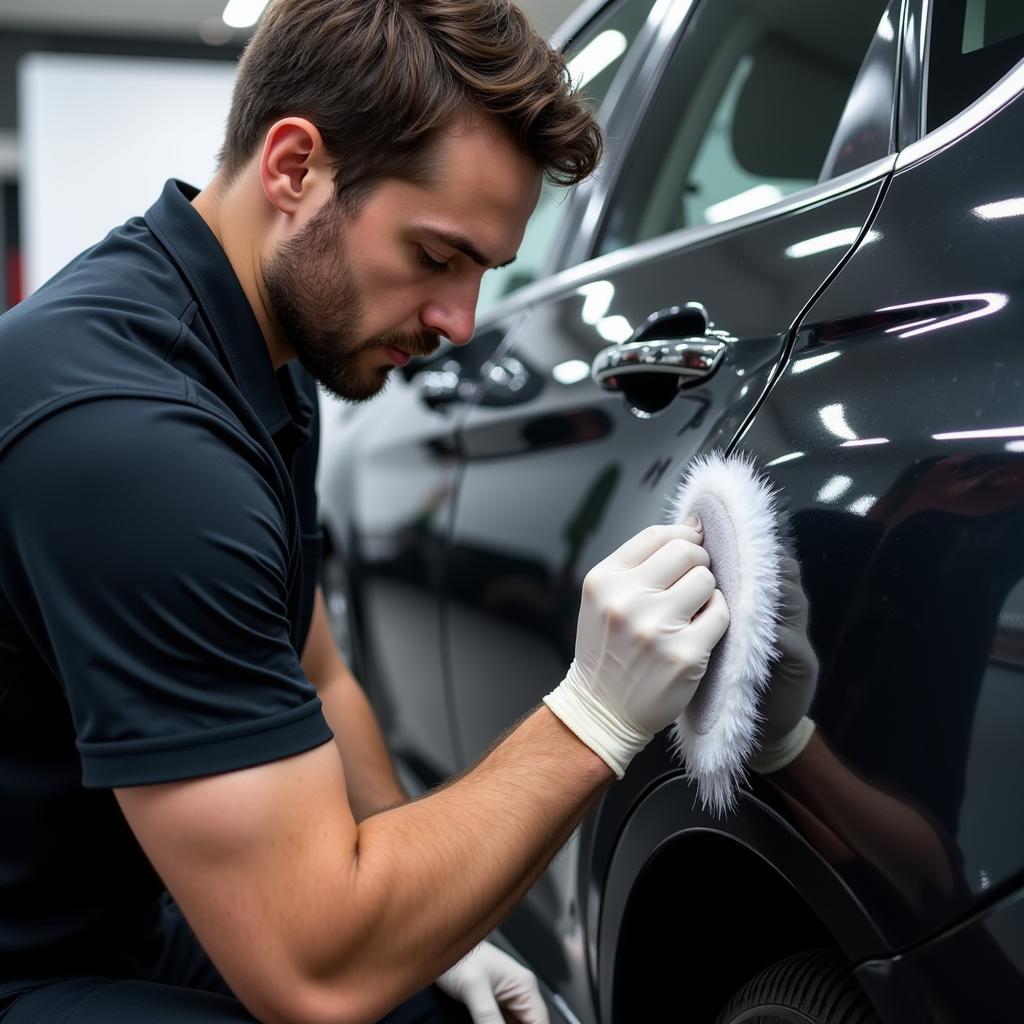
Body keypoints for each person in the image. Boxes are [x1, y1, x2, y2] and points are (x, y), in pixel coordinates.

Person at [0, 1, 730, 1021]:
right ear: (294, 168)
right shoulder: (134, 441)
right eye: (437, 257)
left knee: (423, 997)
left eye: (482, 271)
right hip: (26, 964)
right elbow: (315, 971)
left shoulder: (262, 346)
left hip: (106, 921)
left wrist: (435, 921)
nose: (460, 322)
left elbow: (314, 663)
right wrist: (591, 719)